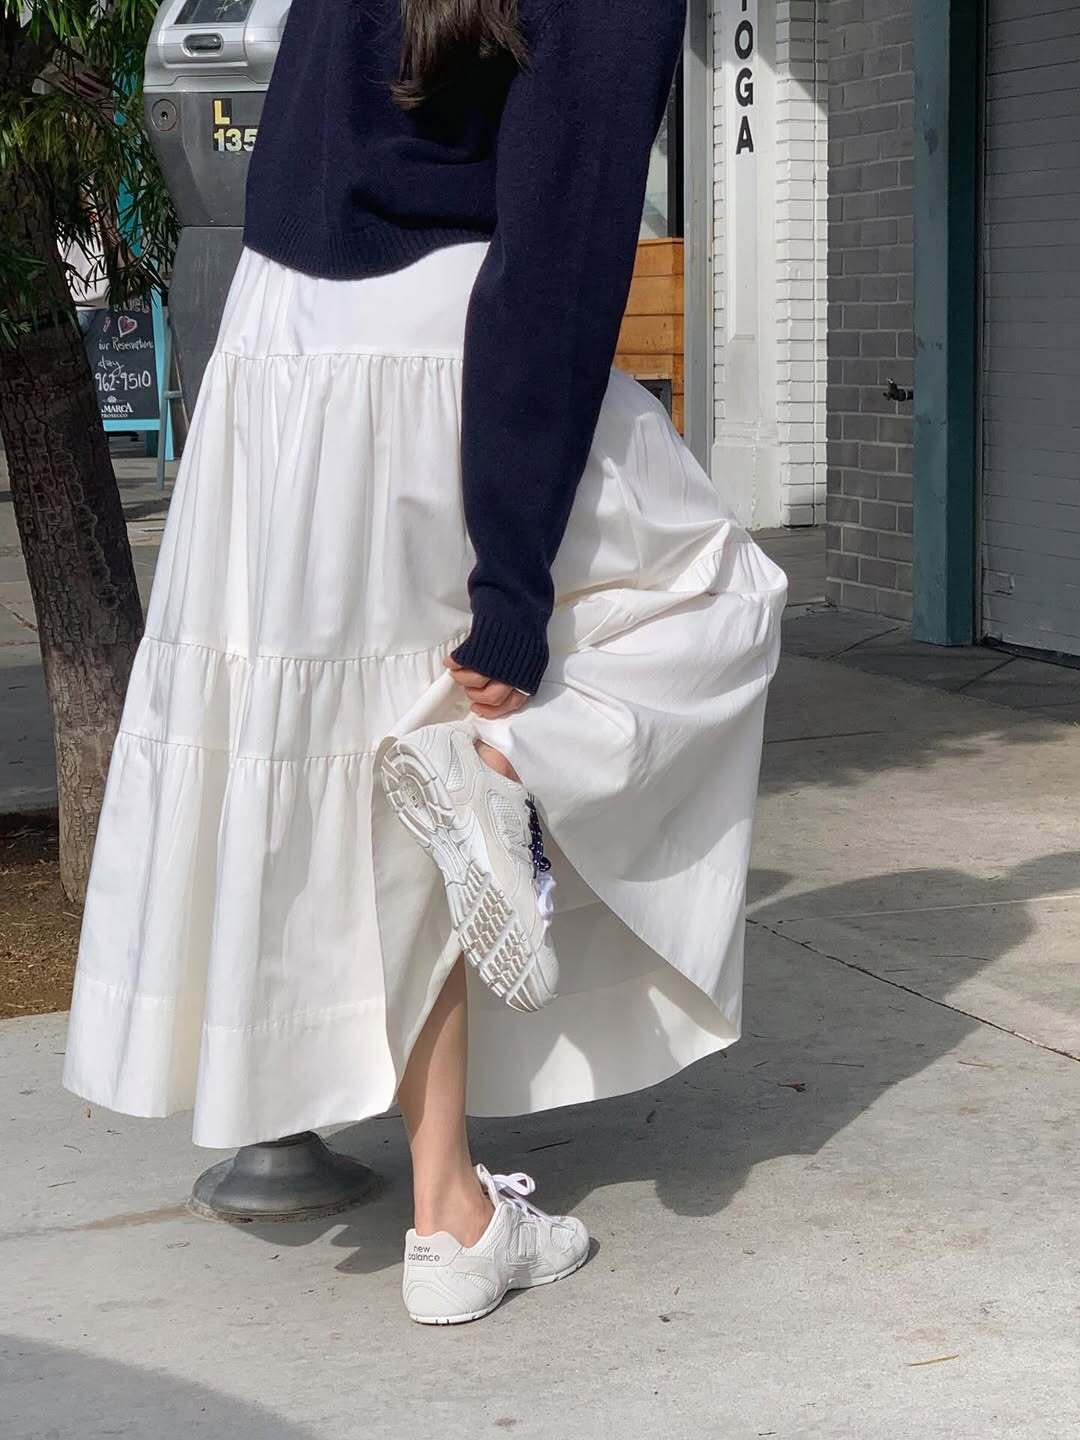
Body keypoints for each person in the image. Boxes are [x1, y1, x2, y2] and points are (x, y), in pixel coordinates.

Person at [63, 0, 787, 1325]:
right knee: (715, 595)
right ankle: (508, 770)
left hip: (280, 344)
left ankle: (451, 1205)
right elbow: (559, 246)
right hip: (446, 344)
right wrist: (511, 578)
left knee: (370, 742)